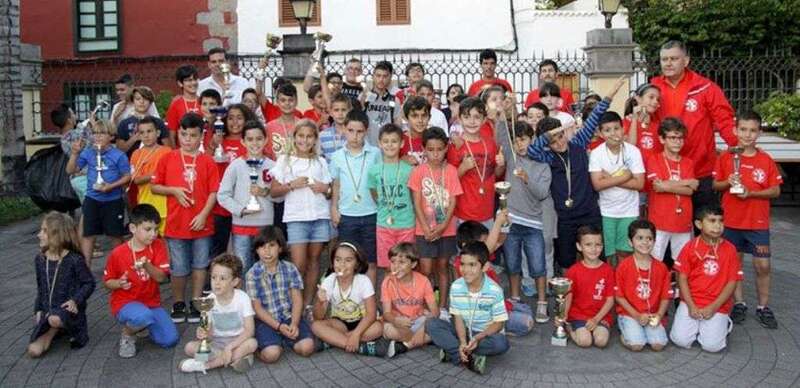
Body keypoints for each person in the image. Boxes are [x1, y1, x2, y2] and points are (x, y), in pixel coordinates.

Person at [528, 76, 625, 271]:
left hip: (589, 212)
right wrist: (550, 133)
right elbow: (532, 150)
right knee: (566, 260)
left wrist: (609, 95)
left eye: (561, 136)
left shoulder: (578, 144)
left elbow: (595, 116)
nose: (559, 142)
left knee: (598, 254)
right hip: (565, 217)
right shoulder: (547, 157)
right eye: (553, 141)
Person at [651, 40, 738, 215]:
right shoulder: (653, 89)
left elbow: (725, 121)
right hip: (666, 170)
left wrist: (739, 146)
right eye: (664, 59)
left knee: (705, 227)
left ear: (686, 61)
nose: (668, 63)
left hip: (701, 169)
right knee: (669, 229)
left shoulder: (706, 88)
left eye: (674, 58)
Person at [712, 111, 782, 329]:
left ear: (759, 132)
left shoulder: (765, 160)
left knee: (763, 265)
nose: (747, 135)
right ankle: (739, 303)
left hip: (757, 223)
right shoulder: (726, 157)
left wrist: (750, 193)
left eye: (752, 130)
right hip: (731, 221)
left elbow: (775, 190)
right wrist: (728, 181)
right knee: (735, 264)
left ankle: (763, 307)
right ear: (735, 130)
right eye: (743, 129)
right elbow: (716, 185)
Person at [151, 113, 219, 324]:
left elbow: (213, 192)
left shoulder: (207, 160)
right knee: (179, 267)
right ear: (177, 134)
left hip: (201, 222)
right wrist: (173, 191)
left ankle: (196, 301)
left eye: (193, 135)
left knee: (200, 264)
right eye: (183, 134)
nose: (188, 139)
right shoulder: (168, 158)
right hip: (176, 224)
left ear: (201, 137)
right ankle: (178, 302)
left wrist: (203, 214)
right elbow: (155, 186)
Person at [269, 119, 332, 308]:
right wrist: (291, 185)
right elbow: (273, 191)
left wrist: (324, 189)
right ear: (294, 138)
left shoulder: (320, 161)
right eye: (301, 136)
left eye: (309, 136)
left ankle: (307, 303)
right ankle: (294, 302)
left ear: (315, 139)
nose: (305, 140)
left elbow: (330, 190)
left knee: (314, 262)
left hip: (319, 217)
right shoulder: (285, 160)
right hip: (296, 219)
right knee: (298, 265)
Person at [104, 204, 177, 358]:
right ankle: (127, 334)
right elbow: (107, 281)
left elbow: (161, 278)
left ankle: (142, 325)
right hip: (125, 303)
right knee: (142, 317)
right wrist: (119, 283)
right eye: (148, 229)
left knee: (170, 340)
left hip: (151, 303)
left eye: (156, 229)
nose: (153, 234)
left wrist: (146, 265)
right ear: (132, 228)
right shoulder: (118, 253)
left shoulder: (158, 245)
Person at [426, 241, 509, 375]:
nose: (465, 270)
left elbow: (499, 323)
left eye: (472, 265)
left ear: (485, 267)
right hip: (462, 331)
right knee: (431, 324)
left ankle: (454, 351)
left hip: (484, 335)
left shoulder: (495, 290)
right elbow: (457, 318)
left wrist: (478, 338)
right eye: (462, 264)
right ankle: (465, 356)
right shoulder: (456, 286)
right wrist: (463, 341)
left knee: (501, 343)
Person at [670, 206, 742, 352]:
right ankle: (701, 325)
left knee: (712, 347)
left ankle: (723, 324)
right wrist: (690, 305)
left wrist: (714, 307)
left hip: (717, 304)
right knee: (680, 340)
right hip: (691, 301)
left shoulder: (730, 250)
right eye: (712, 221)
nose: (717, 225)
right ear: (699, 224)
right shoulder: (690, 247)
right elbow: (681, 278)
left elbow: (732, 282)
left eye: (721, 221)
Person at [409, 127, 463, 317]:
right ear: (423, 149)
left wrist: (442, 226)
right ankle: (425, 304)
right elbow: (416, 201)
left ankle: (442, 306)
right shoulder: (418, 171)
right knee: (425, 269)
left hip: (446, 230)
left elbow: (454, 200)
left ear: (446, 148)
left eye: (439, 149)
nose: (435, 154)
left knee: (442, 266)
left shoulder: (451, 171)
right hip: (423, 230)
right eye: (430, 149)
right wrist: (425, 227)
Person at [453, 211, 534, 337]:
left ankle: (502, 323)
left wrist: (505, 225)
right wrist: (497, 223)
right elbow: (488, 248)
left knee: (527, 309)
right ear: (467, 245)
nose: (488, 244)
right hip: (484, 314)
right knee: (527, 322)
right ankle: (497, 329)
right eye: (484, 242)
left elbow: (498, 241)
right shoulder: (462, 264)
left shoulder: (482, 254)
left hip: (497, 305)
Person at [502, 121, 551, 322]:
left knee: (538, 264)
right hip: (511, 220)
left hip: (533, 223)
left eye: (523, 140)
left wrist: (526, 178)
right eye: (516, 141)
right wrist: (504, 110)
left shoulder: (543, 165)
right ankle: (514, 298)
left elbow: (542, 193)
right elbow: (502, 132)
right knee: (512, 263)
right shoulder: (511, 159)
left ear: (533, 140)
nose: (520, 145)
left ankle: (542, 302)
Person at [27, 212, 95, 358]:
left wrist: (75, 300)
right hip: (48, 310)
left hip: (68, 309)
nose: (39, 234)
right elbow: (41, 288)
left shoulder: (74, 259)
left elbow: (89, 283)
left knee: (55, 318)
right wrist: (38, 309)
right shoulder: (40, 259)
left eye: (45, 231)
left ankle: (71, 328)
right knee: (34, 351)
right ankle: (57, 327)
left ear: (58, 234)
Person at [65, 119, 131, 266]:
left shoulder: (118, 155)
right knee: (88, 234)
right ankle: (86, 268)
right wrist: (75, 154)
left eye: (102, 133)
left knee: (115, 235)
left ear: (111, 136)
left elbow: (127, 176)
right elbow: (70, 170)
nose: (98, 136)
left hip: (113, 200)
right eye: (95, 133)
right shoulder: (88, 153)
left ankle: (120, 267)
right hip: (92, 199)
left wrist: (111, 186)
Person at [245, 226, 315, 363]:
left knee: (307, 348)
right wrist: (278, 326)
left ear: (280, 248)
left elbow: (297, 300)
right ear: (256, 250)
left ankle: (284, 339)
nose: (267, 251)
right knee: (272, 355)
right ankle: (260, 349)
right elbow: (257, 309)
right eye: (262, 247)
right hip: (266, 321)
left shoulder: (290, 268)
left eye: (272, 245)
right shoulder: (252, 274)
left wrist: (294, 323)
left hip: (289, 316)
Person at [311, 242, 392, 357]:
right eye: (338, 260)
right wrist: (320, 301)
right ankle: (362, 348)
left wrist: (356, 334)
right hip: (340, 323)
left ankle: (333, 341)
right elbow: (318, 317)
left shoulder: (363, 281)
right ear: (332, 262)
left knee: (378, 328)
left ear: (357, 263)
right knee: (316, 326)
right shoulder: (329, 280)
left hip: (364, 323)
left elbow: (371, 315)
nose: (342, 265)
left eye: (348, 260)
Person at [180, 254, 258, 373]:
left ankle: (207, 365)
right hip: (216, 343)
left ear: (235, 281)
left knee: (252, 343)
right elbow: (208, 334)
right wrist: (203, 333)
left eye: (222, 278)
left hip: (238, 341)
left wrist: (230, 347)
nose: (216, 283)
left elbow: (249, 331)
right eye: (213, 277)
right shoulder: (208, 301)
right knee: (189, 348)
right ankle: (236, 358)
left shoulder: (243, 298)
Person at [217, 120, 277, 276]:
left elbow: (280, 197)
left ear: (265, 140)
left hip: (265, 225)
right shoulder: (236, 165)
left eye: (259, 139)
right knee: (243, 267)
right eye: (250, 139)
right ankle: (245, 299)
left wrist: (265, 193)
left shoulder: (273, 166)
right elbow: (222, 195)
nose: (255, 143)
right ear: (243, 141)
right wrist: (241, 210)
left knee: (265, 267)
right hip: (241, 226)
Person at [330, 110, 382, 286]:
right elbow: (336, 185)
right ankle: (350, 303)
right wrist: (334, 208)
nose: (355, 136)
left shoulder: (375, 153)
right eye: (351, 130)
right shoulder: (337, 156)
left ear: (366, 131)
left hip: (371, 214)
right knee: (347, 261)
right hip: (347, 215)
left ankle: (370, 304)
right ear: (344, 129)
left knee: (371, 262)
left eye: (359, 132)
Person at [589, 111, 646, 266]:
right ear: (600, 133)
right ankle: (610, 285)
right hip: (606, 211)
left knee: (625, 252)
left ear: (623, 129)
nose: (613, 133)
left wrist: (609, 178)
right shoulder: (596, 153)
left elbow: (640, 184)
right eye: (607, 130)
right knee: (609, 253)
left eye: (616, 128)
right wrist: (625, 177)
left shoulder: (633, 151)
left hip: (629, 210)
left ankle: (622, 285)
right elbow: (597, 185)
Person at [614, 220, 672, 351]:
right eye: (639, 238)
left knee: (658, 345)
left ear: (654, 241)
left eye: (649, 238)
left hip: (652, 314)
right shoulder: (623, 266)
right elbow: (619, 297)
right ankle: (625, 332)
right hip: (630, 313)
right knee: (637, 345)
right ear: (630, 242)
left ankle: (639, 332)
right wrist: (636, 315)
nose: (645, 242)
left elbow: (665, 297)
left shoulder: (661, 268)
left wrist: (659, 315)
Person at [206, 104, 254, 260]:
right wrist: (213, 144)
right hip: (222, 205)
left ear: (246, 120)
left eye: (239, 118)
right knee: (219, 246)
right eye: (231, 118)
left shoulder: (250, 141)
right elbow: (205, 162)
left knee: (244, 249)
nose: (235, 122)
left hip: (244, 202)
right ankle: (215, 280)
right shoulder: (219, 139)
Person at [447, 97, 504, 226]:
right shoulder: (456, 146)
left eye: (477, 117)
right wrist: (463, 167)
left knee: (486, 246)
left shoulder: (490, 143)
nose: (472, 122)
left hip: (487, 212)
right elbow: (449, 180)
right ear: (460, 120)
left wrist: (501, 164)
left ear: (484, 119)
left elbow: (495, 173)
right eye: (466, 117)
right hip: (463, 213)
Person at [646, 118, 697, 261]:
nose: (677, 141)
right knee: (655, 261)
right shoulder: (654, 159)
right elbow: (657, 186)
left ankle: (679, 284)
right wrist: (687, 182)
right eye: (673, 137)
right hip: (660, 221)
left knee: (682, 263)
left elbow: (690, 191)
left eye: (681, 138)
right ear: (662, 139)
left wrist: (666, 185)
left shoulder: (688, 163)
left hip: (682, 221)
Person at [368, 124, 416, 272]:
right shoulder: (374, 170)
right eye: (386, 141)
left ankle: (405, 295)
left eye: (394, 141)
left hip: (406, 224)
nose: (390, 145)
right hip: (384, 225)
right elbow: (374, 193)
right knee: (389, 266)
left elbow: (414, 197)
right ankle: (391, 294)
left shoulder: (409, 170)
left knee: (406, 265)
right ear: (379, 143)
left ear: (401, 143)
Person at [380, 242, 439, 356]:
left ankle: (405, 345)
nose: (396, 266)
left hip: (419, 321)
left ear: (413, 264)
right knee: (387, 329)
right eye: (393, 261)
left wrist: (423, 328)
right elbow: (386, 313)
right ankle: (425, 339)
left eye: (401, 262)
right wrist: (396, 320)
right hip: (398, 322)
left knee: (439, 320)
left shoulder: (423, 281)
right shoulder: (387, 282)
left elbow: (435, 311)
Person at [565, 224, 615, 348]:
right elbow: (568, 295)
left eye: (598, 245)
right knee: (585, 341)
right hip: (578, 315)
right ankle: (569, 328)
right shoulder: (573, 271)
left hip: (600, 316)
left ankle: (597, 328)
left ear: (602, 246)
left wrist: (596, 319)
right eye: (588, 245)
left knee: (601, 341)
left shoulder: (608, 270)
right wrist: (563, 316)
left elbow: (610, 300)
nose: (594, 249)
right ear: (579, 246)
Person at [129, 117, 172, 234]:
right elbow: (136, 180)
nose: (146, 135)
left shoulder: (167, 151)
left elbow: (170, 176)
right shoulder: (136, 154)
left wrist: (149, 176)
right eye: (142, 132)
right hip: (145, 202)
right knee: (147, 239)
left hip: (165, 205)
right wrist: (156, 174)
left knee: (166, 241)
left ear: (157, 133)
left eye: (149, 131)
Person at [54, 104, 93, 204]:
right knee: (91, 209)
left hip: (76, 178)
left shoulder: (64, 138)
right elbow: (94, 141)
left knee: (87, 210)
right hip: (84, 176)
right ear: (69, 120)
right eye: (73, 114)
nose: (76, 116)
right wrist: (92, 123)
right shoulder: (76, 134)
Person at [116, 86, 172, 154]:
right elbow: (119, 151)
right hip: (131, 162)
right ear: (133, 102)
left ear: (150, 102)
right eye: (138, 99)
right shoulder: (124, 123)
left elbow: (168, 148)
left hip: (154, 160)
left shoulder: (158, 122)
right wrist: (133, 139)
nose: (141, 102)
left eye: (145, 99)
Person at [623, 83, 662, 161]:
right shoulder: (626, 122)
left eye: (658, 99)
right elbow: (629, 147)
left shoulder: (658, 126)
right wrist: (634, 119)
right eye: (651, 97)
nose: (655, 102)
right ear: (638, 99)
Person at [266, 83, 301, 157]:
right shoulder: (269, 127)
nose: (287, 103)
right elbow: (267, 154)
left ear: (296, 101)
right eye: (283, 100)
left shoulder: (302, 126)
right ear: (277, 102)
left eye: (291, 100)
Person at [319, 93, 352, 162]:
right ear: (331, 112)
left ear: (349, 111)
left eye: (343, 110)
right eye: (336, 110)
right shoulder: (322, 136)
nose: (340, 113)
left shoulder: (354, 133)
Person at [399, 96, 430, 166]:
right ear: (406, 118)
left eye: (424, 115)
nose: (420, 120)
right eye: (414, 116)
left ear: (429, 117)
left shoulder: (435, 138)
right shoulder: (399, 140)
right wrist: (401, 161)